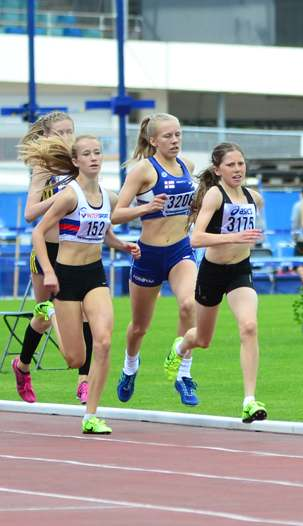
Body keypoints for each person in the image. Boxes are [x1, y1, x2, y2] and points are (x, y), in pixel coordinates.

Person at [24, 134, 140, 434]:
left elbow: (105, 231)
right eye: (87, 154)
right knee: (75, 357)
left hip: (94, 275)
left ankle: (91, 415)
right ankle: (50, 314)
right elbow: (38, 234)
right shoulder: (69, 195)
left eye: (98, 153)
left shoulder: (108, 195)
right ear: (76, 161)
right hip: (66, 277)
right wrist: (48, 272)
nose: (94, 158)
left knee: (102, 341)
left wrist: (122, 245)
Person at [174, 143, 268, 423]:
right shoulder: (215, 195)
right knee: (202, 339)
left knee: (249, 327)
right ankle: (179, 348)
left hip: (240, 270)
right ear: (218, 170)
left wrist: (249, 239)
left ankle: (249, 401)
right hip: (212, 272)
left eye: (241, 164)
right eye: (230, 165)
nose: (237, 169)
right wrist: (234, 237)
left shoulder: (255, 198)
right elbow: (196, 238)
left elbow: (252, 233)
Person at [111, 113, 200, 407]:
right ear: (153, 140)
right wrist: (146, 207)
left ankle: (183, 374)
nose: (175, 140)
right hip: (148, 255)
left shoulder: (188, 166)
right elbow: (116, 214)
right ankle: (129, 368)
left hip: (180, 250)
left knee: (189, 305)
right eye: (168, 136)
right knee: (139, 326)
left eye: (178, 134)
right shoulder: (143, 171)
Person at [13, 111, 96, 405]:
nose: (66, 137)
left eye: (70, 131)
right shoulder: (42, 166)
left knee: (87, 314)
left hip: (74, 248)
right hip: (47, 252)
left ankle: (84, 382)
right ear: (46, 136)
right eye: (60, 132)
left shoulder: (79, 162)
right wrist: (64, 195)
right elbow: (30, 212)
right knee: (44, 315)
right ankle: (22, 366)